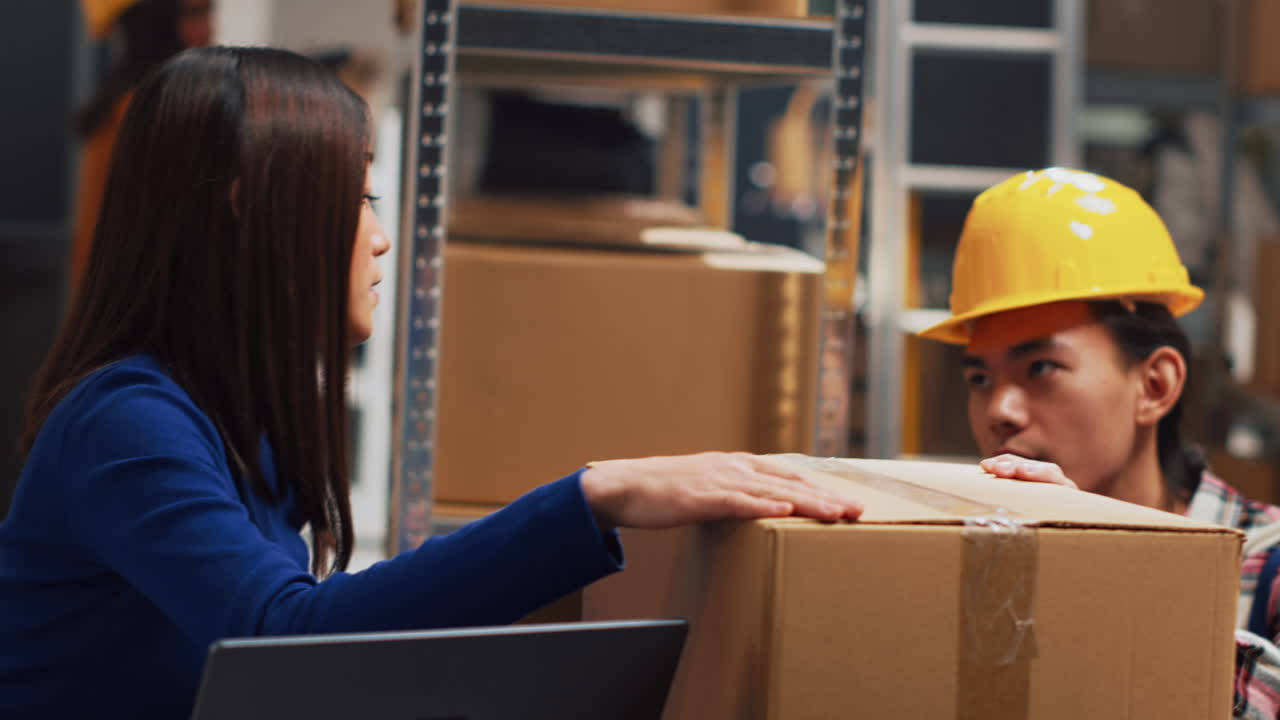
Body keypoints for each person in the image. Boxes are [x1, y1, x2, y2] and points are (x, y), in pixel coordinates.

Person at [0, 46, 864, 718]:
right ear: (245, 207)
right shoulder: (125, 426)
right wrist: (592, 497)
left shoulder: (233, 429)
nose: (380, 238)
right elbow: (286, 638)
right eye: (360, 198)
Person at [918, 166, 1280, 719]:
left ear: (1154, 386)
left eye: (1042, 367)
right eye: (980, 379)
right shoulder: (970, 568)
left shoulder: (1267, 570)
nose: (999, 412)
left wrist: (1096, 578)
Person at [71, 0, 214, 295]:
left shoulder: (133, 102)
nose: (209, 29)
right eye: (194, 14)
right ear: (155, 24)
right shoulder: (146, 109)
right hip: (141, 296)